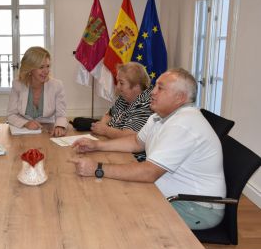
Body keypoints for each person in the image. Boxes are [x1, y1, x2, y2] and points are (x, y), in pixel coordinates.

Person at [69, 68, 226, 230]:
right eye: (155, 86)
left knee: (114, 212)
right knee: (111, 198)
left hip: (194, 207)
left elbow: (149, 172)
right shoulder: (159, 116)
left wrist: (98, 168)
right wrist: (97, 145)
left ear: (180, 98)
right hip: (168, 194)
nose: (153, 92)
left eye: (160, 88)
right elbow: (136, 142)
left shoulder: (184, 124)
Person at [90, 62, 153, 161]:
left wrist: (105, 130)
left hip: (133, 158)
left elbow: (130, 137)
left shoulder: (146, 104)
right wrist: (101, 125)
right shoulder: (125, 96)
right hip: (113, 146)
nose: (118, 87)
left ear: (136, 86)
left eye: (121, 83)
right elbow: (109, 114)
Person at [7, 46, 68, 137]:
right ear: (30, 69)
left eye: (47, 66)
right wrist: (26, 123)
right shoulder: (18, 84)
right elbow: (11, 115)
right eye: (41, 67)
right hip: (23, 130)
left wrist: (60, 126)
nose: (46, 71)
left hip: (48, 130)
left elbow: (61, 115)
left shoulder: (57, 85)